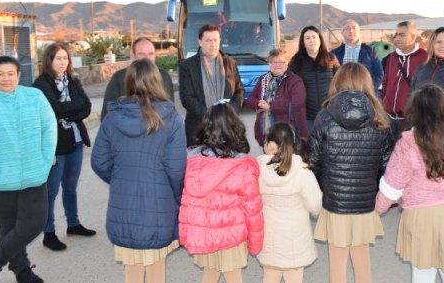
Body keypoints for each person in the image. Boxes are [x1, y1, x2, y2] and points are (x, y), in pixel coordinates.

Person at [92, 59, 187, 283]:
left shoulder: (112, 117)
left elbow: (99, 162)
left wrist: (119, 179)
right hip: (159, 205)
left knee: (132, 270)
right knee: (156, 270)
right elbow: (176, 170)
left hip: (123, 205)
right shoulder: (171, 118)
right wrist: (175, 198)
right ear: (157, 81)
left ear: (128, 82)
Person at [0, 56, 57, 283]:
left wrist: (45, 162)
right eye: (0, 74)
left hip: (34, 176)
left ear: (18, 75)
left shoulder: (34, 96)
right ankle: (23, 272)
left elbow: (49, 128)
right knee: (8, 229)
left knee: (33, 225)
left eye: (10, 73)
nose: (6, 78)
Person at [376, 83, 444, 283]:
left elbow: (392, 186)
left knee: (423, 272)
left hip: (420, 215)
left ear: (415, 111)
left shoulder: (408, 142)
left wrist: (376, 210)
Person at [308, 62, 393, 283]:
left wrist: (323, 188)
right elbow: (387, 165)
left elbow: (313, 160)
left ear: (337, 82)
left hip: (335, 200)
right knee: (362, 259)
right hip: (365, 202)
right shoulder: (380, 118)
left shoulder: (324, 117)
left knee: (337, 262)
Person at [179, 103, 264, 283]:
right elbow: (252, 209)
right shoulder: (243, 166)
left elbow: (187, 204)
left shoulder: (193, 164)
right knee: (234, 277)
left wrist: (186, 235)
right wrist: (255, 243)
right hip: (232, 236)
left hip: (205, 235)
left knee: (210, 274)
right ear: (235, 127)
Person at [33, 42, 96, 252]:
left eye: (65, 58)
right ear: (49, 60)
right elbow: (55, 109)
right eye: (57, 58)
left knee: (70, 187)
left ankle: (73, 224)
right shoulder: (41, 84)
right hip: (55, 146)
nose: (62, 62)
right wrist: (68, 110)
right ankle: (48, 233)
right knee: (51, 191)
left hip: (76, 141)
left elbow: (86, 107)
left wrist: (67, 113)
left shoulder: (73, 81)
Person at [256, 122, 322, 283]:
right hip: (295, 239)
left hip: (267, 237)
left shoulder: (256, 169)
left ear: (268, 145)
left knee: (270, 277)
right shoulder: (302, 171)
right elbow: (316, 205)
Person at [179, 24, 244, 146]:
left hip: (227, 126)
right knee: (200, 163)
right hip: (198, 127)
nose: (213, 44)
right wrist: (210, 117)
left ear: (220, 41)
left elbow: (239, 91)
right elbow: (187, 98)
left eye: (215, 40)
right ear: (200, 42)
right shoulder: (187, 66)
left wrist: (229, 113)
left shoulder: (230, 63)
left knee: (225, 163)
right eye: (208, 40)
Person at [101, 36, 174, 121]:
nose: (147, 58)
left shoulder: (164, 76)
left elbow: (171, 109)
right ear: (133, 56)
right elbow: (106, 116)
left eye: (151, 54)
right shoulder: (119, 78)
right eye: (142, 54)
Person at [246, 48, 308, 146]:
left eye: (281, 62)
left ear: (287, 63)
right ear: (269, 64)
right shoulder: (263, 79)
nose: (277, 65)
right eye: (274, 62)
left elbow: (296, 103)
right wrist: (259, 104)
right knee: (269, 158)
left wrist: (270, 107)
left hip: (287, 132)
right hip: (265, 128)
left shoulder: (295, 81)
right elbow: (250, 99)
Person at [381, 21, 428, 141]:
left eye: (402, 35)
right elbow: (386, 81)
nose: (397, 38)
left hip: (411, 120)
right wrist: (385, 102)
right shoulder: (392, 57)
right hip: (390, 118)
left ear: (413, 37)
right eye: (396, 34)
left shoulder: (425, 57)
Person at [288, 25, 340, 131]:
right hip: (307, 116)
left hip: (330, 114)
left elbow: (340, 82)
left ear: (320, 39)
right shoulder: (296, 61)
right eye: (307, 38)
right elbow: (289, 85)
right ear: (303, 42)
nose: (311, 40)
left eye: (314, 37)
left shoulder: (331, 58)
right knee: (310, 145)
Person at [331, 19, 384, 89]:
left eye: (354, 28)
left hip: (365, 94)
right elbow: (330, 75)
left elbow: (379, 74)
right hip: (342, 93)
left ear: (359, 31)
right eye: (347, 28)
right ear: (342, 33)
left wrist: (369, 89)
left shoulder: (370, 51)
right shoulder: (335, 53)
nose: (351, 31)